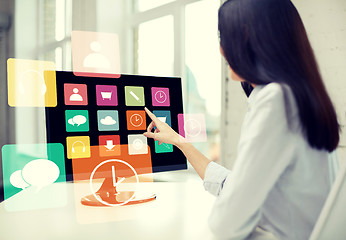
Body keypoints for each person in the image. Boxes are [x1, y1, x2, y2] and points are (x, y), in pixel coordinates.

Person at [143, 0, 340, 239]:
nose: (221, 49)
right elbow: (237, 185)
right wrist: (179, 141)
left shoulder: (276, 101)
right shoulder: (301, 94)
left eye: (224, 36)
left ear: (249, 38)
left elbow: (227, 224)